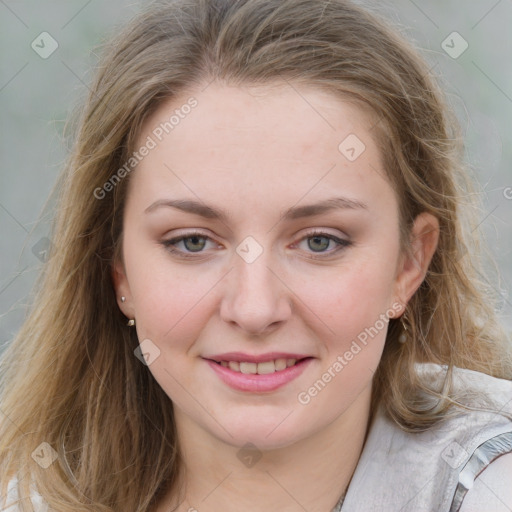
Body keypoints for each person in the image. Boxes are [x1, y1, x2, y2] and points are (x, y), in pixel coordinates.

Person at [1, 0, 511, 511]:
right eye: (192, 242)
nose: (254, 309)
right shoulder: (31, 494)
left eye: (319, 241)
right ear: (119, 272)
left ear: (408, 264)